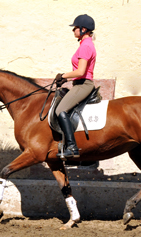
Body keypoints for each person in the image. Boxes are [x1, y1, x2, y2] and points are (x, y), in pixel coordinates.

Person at [54, 14, 96, 158]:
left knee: (60, 110)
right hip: (79, 83)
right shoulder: (85, 44)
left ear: (83, 29)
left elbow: (81, 71)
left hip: (83, 85)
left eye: (75, 28)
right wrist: (66, 79)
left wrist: (63, 76)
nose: (73, 31)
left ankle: (72, 147)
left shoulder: (86, 46)